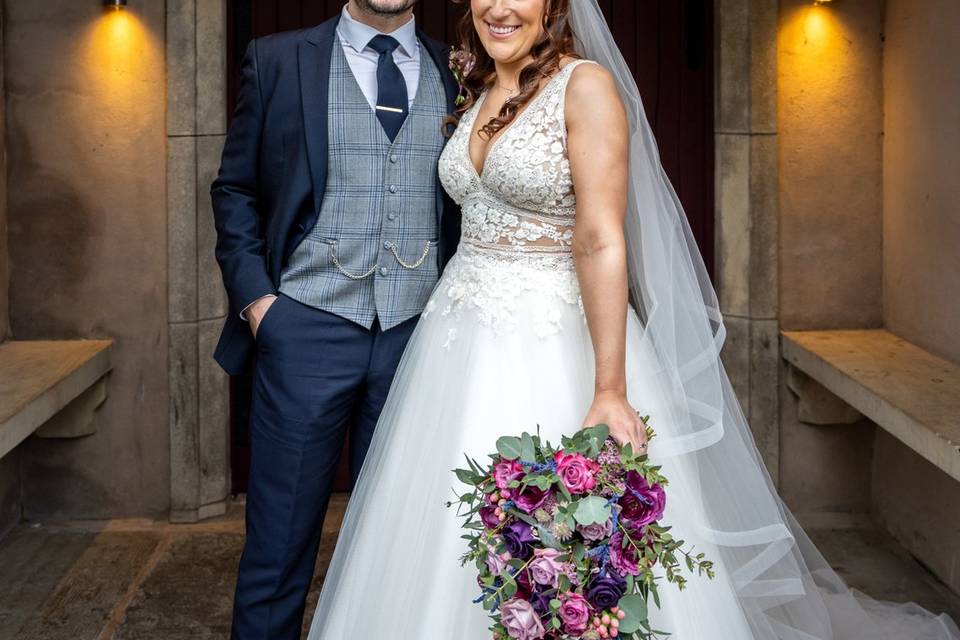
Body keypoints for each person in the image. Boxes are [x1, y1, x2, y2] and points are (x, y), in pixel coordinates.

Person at [307, 0, 960, 638]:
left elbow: (599, 238)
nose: (499, 9)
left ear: (555, 4)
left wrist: (610, 389)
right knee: (435, 536)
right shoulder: (475, 86)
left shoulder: (584, 87)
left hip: (552, 339)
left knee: (569, 549)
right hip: (454, 339)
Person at [209, 1, 461, 638]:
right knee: (278, 548)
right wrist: (261, 305)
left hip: (417, 338)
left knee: (405, 549)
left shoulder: (459, 70)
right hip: (304, 330)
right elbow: (234, 189)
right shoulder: (277, 60)